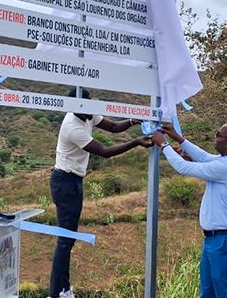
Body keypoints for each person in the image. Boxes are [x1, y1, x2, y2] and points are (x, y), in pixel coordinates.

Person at [49, 87, 152, 298]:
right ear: (74, 107)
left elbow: (113, 127)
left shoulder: (87, 112)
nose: (90, 111)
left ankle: (63, 288)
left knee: (68, 238)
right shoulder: (72, 126)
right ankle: (57, 291)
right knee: (65, 239)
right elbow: (104, 152)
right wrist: (135, 142)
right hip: (65, 182)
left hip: (73, 181)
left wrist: (134, 121)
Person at [153, 123, 227, 298]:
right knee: (208, 292)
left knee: (224, 294)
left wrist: (164, 145)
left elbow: (184, 168)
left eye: (218, 134)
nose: (215, 137)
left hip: (226, 241)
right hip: (215, 239)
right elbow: (204, 157)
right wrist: (178, 138)